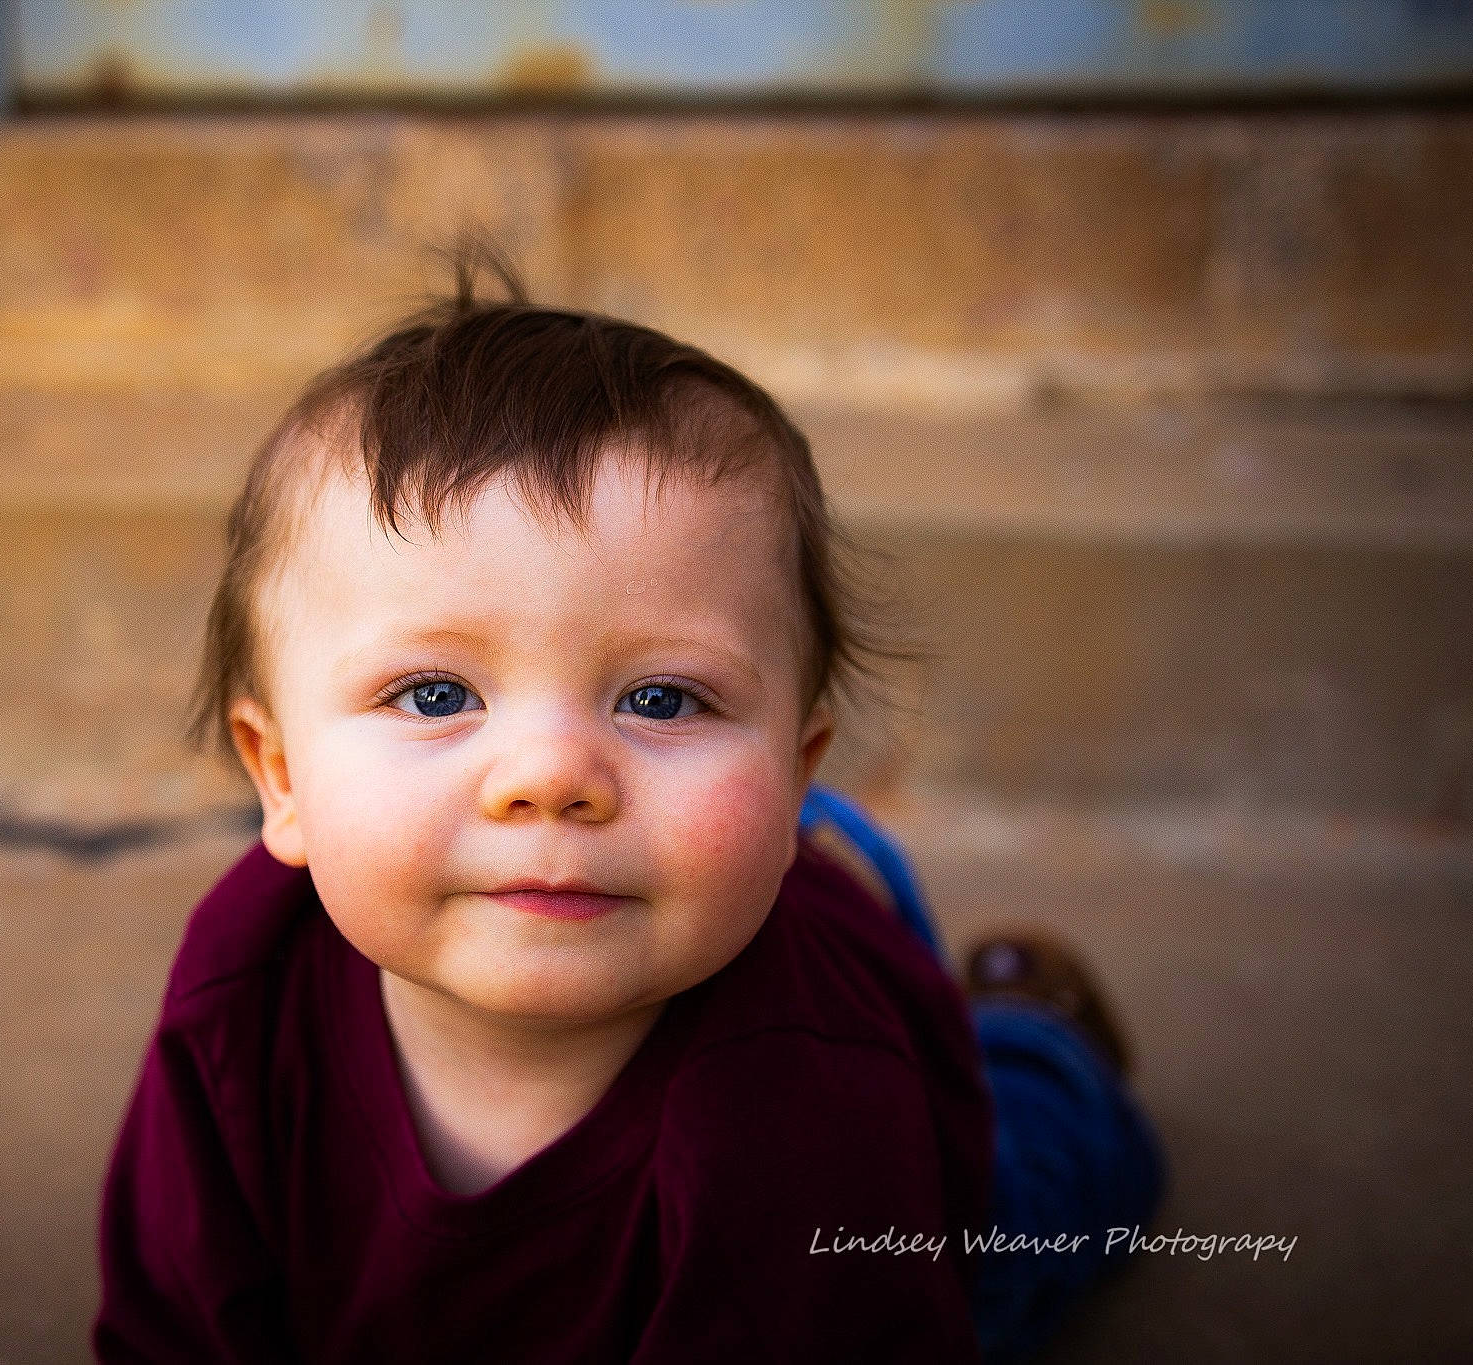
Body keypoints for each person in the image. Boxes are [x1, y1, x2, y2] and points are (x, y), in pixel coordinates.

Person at [92, 245, 1162, 1362]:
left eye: (661, 697)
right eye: (433, 693)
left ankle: (1039, 1045)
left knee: (1025, 1218)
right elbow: (172, 1326)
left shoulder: (810, 1106)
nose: (549, 775)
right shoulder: (239, 993)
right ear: (279, 777)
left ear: (797, 777)